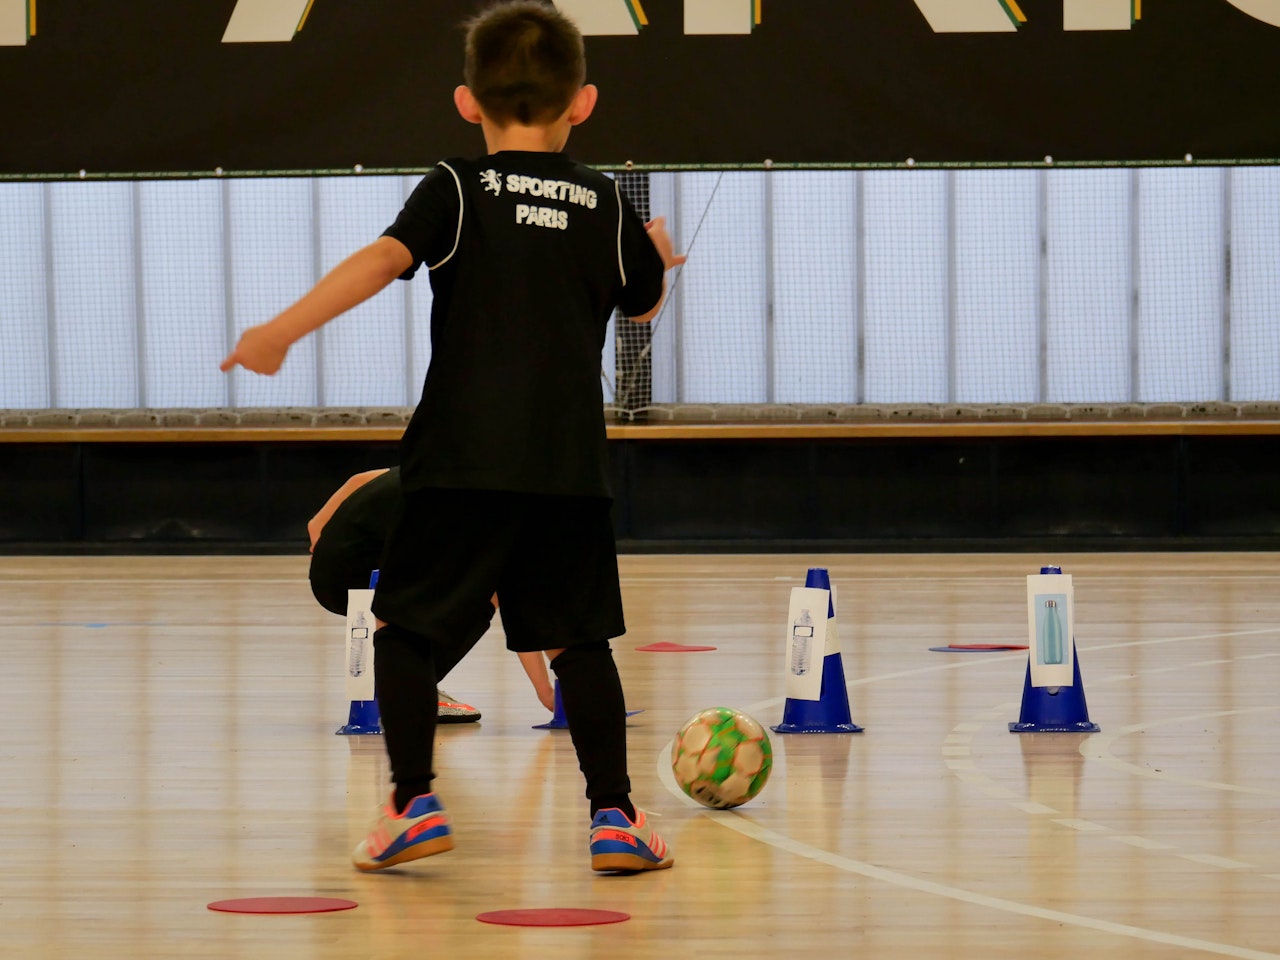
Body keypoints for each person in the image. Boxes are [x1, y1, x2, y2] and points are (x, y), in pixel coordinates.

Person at [220, 0, 684, 874]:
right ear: (582, 101)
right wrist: (657, 260)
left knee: (404, 628)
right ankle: (615, 817)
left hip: (458, 463)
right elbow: (642, 301)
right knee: (581, 640)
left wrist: (281, 330)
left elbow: (381, 260)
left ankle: (412, 802)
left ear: (467, 102)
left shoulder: (456, 190)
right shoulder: (604, 203)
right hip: (566, 470)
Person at [307, 465, 558, 718]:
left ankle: (409, 681)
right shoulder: (486, 503)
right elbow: (520, 606)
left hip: (330, 574)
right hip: (365, 579)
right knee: (487, 590)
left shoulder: (438, 464)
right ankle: (413, 686)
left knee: (463, 582)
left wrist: (317, 525)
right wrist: (545, 692)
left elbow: (359, 479)